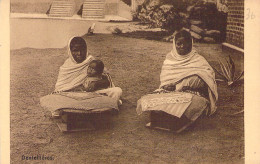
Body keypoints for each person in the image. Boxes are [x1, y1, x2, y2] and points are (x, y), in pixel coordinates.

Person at [136, 30, 218, 133]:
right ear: (174, 44)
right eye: (179, 43)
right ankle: (162, 116)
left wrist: (183, 84)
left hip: (191, 92)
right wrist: (166, 86)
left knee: (190, 103)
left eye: (186, 43)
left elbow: (207, 79)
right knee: (152, 101)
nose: (182, 46)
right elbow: (165, 79)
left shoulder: (198, 60)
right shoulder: (170, 59)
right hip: (169, 91)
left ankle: (178, 118)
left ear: (191, 43)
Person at [51, 36, 122, 116]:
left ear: (86, 49)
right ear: (70, 51)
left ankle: (102, 109)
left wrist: (96, 84)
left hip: (93, 94)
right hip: (74, 95)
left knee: (117, 91)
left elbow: (107, 81)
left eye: (82, 50)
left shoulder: (91, 61)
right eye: (75, 50)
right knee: (56, 98)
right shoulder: (66, 67)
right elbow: (60, 88)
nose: (80, 53)